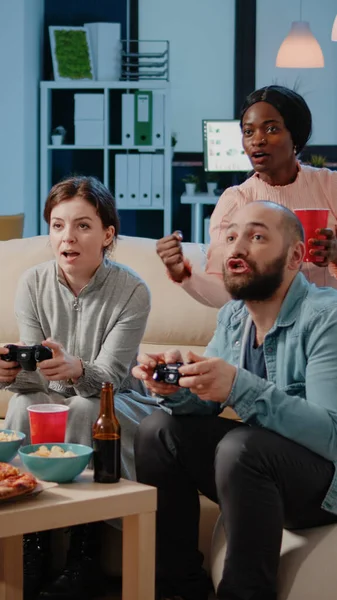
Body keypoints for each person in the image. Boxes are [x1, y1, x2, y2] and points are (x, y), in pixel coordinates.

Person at [133, 201, 337, 600]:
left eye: (256, 236)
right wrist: (178, 388)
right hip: (260, 475)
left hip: (325, 487)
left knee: (241, 447)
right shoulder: (233, 317)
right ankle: (179, 590)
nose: (236, 248)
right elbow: (207, 402)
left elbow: (333, 435)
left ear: (295, 256)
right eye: (229, 237)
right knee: (158, 432)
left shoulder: (326, 318)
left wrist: (238, 386)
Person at [0, 175, 158, 599]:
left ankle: (84, 551)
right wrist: (11, 372)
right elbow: (33, 375)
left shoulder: (132, 291)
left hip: (118, 402)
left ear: (107, 234)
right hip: (57, 397)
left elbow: (110, 378)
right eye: (57, 225)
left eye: (83, 225)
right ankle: (31, 545)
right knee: (23, 406)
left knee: (87, 409)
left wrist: (75, 368)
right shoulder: (32, 283)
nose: (67, 237)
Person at [157, 85, 337, 307]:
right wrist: (182, 273)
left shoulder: (330, 186)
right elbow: (225, 290)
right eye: (248, 131)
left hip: (328, 320)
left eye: (271, 129)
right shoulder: (235, 201)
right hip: (265, 329)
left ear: (295, 137)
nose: (257, 140)